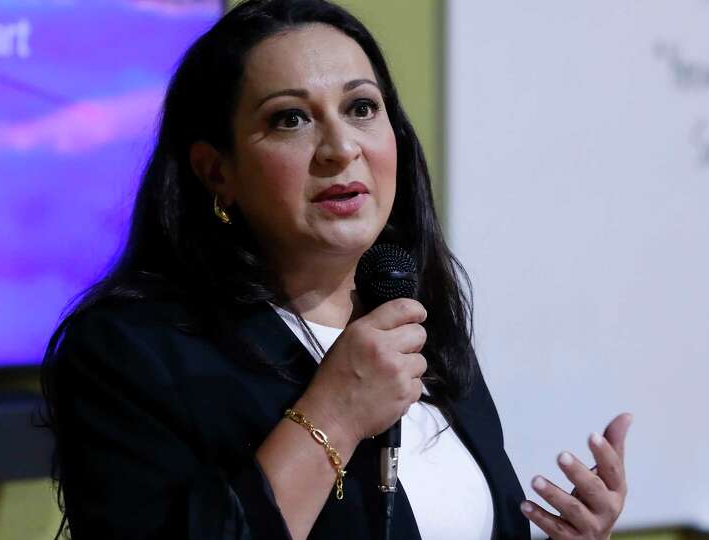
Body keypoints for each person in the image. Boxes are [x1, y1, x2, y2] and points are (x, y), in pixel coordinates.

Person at [39, 1, 632, 539]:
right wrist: (335, 412)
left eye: (361, 108)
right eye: (290, 119)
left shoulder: (416, 319)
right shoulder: (131, 350)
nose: (340, 147)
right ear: (217, 172)